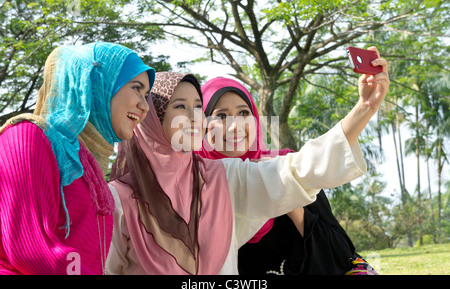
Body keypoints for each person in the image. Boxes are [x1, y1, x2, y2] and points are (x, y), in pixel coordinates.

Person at [105, 70, 370, 275]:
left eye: (198, 107)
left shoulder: (219, 178)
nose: (195, 117)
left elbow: (299, 169)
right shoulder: (119, 199)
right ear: (151, 119)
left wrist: (364, 108)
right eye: (180, 107)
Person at [196, 74, 381, 275]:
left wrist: (287, 196)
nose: (235, 126)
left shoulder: (285, 167)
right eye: (222, 116)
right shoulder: (195, 183)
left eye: (243, 113)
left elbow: (339, 250)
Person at [0, 42, 155, 275]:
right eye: (136, 88)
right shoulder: (27, 136)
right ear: (96, 83)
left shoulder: (87, 163)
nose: (144, 106)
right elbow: (30, 250)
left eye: (146, 95)